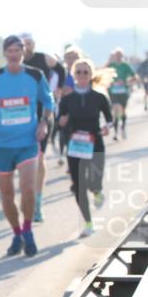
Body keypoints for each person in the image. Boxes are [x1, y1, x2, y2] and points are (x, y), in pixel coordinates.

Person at [0, 35, 54, 258]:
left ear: (23, 52)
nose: (14, 54)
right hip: (1, 145)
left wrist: (44, 123)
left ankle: (27, 230)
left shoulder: (35, 75)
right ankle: (16, 233)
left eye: (18, 49)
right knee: (7, 195)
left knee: (28, 190)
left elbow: (49, 102)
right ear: (4, 53)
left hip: (27, 143)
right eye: (10, 50)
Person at [57, 58, 112, 237]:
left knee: (94, 179)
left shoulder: (99, 97)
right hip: (75, 145)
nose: (82, 75)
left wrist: (107, 127)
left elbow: (109, 119)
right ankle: (88, 223)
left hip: (95, 142)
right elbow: (60, 120)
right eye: (78, 72)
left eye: (85, 72)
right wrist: (61, 121)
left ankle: (97, 190)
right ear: (73, 75)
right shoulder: (67, 99)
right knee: (78, 185)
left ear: (91, 75)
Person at [20, 32, 56, 222]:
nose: (25, 48)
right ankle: (27, 195)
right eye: (21, 45)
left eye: (28, 44)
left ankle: (37, 202)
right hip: (19, 120)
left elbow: (60, 69)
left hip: (41, 116)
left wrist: (57, 89)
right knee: (24, 161)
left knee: (39, 158)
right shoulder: (12, 69)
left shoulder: (42, 61)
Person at [106, 48, 136, 140]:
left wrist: (126, 82)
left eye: (120, 55)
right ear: (114, 56)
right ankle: (116, 132)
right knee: (116, 110)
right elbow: (103, 75)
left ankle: (122, 128)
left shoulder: (126, 65)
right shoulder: (111, 65)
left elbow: (134, 77)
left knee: (122, 111)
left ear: (122, 56)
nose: (118, 57)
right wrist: (110, 83)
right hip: (113, 92)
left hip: (123, 92)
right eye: (117, 55)